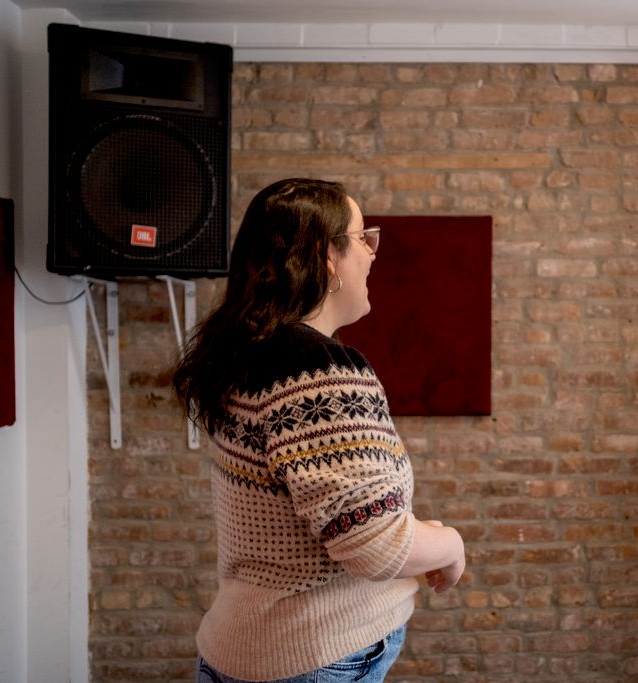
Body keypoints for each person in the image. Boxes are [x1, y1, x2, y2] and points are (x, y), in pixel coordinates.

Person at [173, 178, 466, 683]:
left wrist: (419, 533)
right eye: (361, 238)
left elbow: (337, 512)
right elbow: (371, 541)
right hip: (314, 657)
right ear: (326, 257)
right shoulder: (321, 371)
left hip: (244, 649)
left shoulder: (247, 356)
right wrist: (451, 544)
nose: (373, 254)